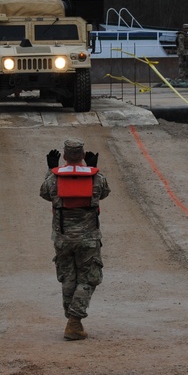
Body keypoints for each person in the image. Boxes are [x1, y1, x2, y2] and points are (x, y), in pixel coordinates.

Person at [40, 138, 111, 341]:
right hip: (88, 239)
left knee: (68, 278)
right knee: (88, 279)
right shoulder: (96, 178)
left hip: (63, 239)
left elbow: (45, 193)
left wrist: (51, 169)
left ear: (63, 155)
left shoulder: (54, 179)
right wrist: (92, 168)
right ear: (83, 154)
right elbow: (104, 192)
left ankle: (72, 320)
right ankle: (74, 320)